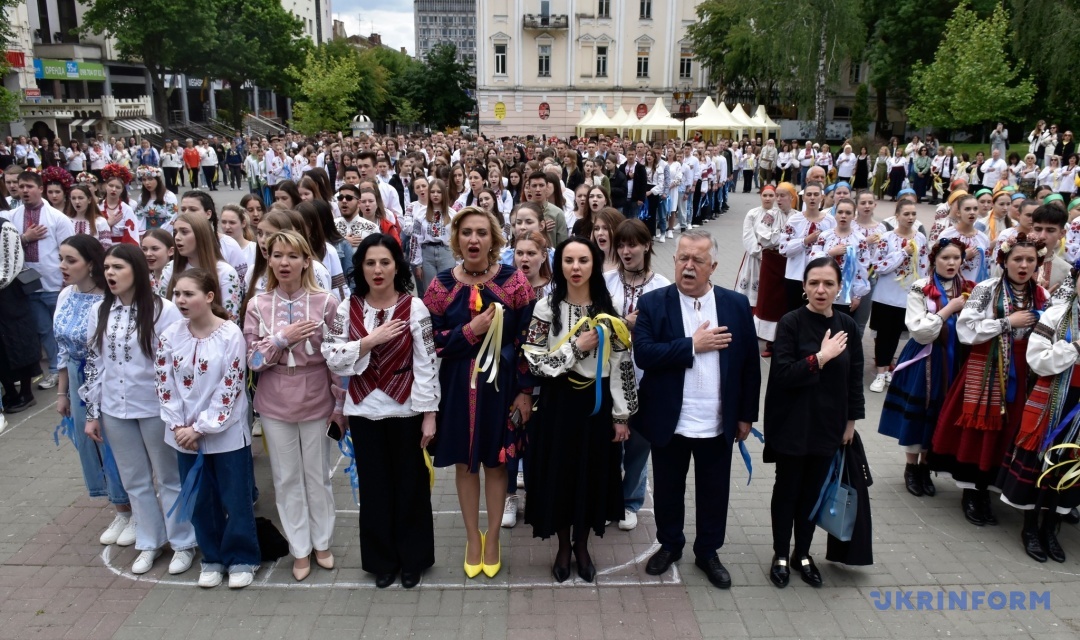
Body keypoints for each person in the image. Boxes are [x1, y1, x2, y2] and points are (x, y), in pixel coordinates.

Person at [631, 228, 760, 588]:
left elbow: (750, 362)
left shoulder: (734, 305)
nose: (688, 267)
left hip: (718, 421)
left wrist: (747, 414)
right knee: (669, 490)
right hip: (671, 420)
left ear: (713, 265)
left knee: (714, 492)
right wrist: (691, 345)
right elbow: (644, 353)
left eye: (697, 261)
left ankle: (708, 552)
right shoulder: (655, 303)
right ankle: (670, 544)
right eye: (682, 259)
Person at [422, 206, 536, 579]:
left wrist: (524, 392)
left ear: (494, 239)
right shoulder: (440, 286)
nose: (474, 239)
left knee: (497, 462)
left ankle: (493, 541)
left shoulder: (514, 282)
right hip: (456, 389)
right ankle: (474, 537)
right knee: (465, 463)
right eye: (467, 232)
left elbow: (527, 340)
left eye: (482, 233)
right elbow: (429, 343)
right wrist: (469, 332)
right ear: (456, 238)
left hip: (502, 389)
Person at [323, 234, 438, 588]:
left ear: (396, 266)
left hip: (406, 410)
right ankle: (381, 561)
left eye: (385, 262)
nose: (377, 270)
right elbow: (333, 356)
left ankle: (412, 559)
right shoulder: (347, 308)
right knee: (375, 489)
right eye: (370, 263)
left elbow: (427, 362)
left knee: (411, 486)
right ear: (360, 267)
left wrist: (429, 413)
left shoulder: (414, 307)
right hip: (364, 411)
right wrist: (370, 341)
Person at [521, 236, 635, 582]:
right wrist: (576, 346)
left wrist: (621, 415)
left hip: (595, 404)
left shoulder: (608, 307)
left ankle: (582, 544)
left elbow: (621, 361)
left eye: (583, 261)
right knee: (561, 473)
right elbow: (534, 361)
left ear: (594, 265)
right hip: (557, 403)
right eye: (569, 260)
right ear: (559, 266)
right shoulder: (545, 307)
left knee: (592, 474)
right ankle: (562, 547)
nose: (575, 268)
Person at [81, 244, 195, 576]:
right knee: (135, 480)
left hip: (157, 408)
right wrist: (92, 413)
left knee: (170, 476)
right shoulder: (100, 312)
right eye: (106, 268)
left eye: (118, 267)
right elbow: (94, 363)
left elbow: (177, 364)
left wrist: (178, 412)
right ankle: (149, 541)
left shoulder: (164, 310)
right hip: (115, 409)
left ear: (137, 271)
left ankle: (183, 542)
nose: (110, 274)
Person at [930, 233, 1048, 527]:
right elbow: (965, 329)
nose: (1023, 265)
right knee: (981, 427)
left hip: (1025, 370)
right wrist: (1008, 322)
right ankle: (973, 492)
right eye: (1017, 259)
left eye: (1030, 260)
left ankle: (995, 483)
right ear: (1004, 260)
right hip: (986, 368)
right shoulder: (986, 289)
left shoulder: (1041, 294)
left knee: (1011, 429)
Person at [244, 230, 341, 582]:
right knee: (286, 478)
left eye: (292, 256)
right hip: (274, 401)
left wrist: (340, 406)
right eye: (276, 255)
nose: (284, 263)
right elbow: (252, 360)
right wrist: (281, 340)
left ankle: (322, 542)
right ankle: (299, 548)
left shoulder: (326, 302)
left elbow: (337, 359)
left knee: (317, 474)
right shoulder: (256, 305)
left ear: (305, 261)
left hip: (316, 396)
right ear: (268, 260)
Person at [156, 269, 260, 588]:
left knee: (234, 495)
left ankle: (242, 556)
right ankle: (212, 557)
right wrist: (177, 425)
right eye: (177, 294)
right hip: (184, 437)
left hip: (225, 433)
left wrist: (201, 427)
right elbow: (164, 381)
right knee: (201, 499)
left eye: (189, 294)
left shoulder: (230, 334)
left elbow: (230, 385)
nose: (181, 300)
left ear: (209, 297)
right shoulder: (171, 334)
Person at [764, 256, 863, 588]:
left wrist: (850, 422)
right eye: (814, 283)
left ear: (839, 288)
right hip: (792, 423)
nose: (821, 290)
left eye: (829, 284)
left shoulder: (848, 325)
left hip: (828, 425)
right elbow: (781, 375)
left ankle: (802, 553)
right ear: (804, 287)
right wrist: (820, 358)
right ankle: (780, 553)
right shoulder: (791, 322)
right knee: (788, 490)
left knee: (813, 494)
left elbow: (854, 378)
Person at [53, 235, 133, 545]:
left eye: (70, 260)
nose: (63, 266)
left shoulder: (108, 301)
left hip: (106, 378)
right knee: (90, 447)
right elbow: (60, 348)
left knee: (113, 443)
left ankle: (136, 509)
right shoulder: (65, 295)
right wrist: (62, 393)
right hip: (76, 377)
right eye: (61, 259)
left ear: (90, 264)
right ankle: (120, 509)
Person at [877, 238, 972, 496]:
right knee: (921, 409)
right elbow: (919, 331)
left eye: (956, 258)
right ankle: (911, 468)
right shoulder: (921, 287)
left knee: (940, 412)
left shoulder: (969, 288)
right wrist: (948, 310)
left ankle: (926, 467)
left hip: (955, 360)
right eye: (945, 258)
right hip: (925, 358)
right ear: (934, 260)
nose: (951, 263)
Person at [1000, 267, 1080, 563]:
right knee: (1041, 461)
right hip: (1052, 399)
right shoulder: (1056, 315)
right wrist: (1073, 349)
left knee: (1069, 465)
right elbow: (1038, 360)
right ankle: (1031, 527)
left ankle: (1051, 527)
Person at [602, 219, 671, 531]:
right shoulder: (604, 281)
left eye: (632, 244)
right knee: (609, 442)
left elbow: (668, 333)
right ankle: (608, 497)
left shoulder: (663, 288)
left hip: (646, 378)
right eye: (621, 245)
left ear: (646, 245)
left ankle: (630, 501)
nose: (626, 251)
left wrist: (639, 327)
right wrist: (620, 321)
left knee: (639, 445)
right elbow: (594, 320)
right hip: (609, 375)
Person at [9, 170, 76, 392]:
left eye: (29, 186)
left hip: (55, 282)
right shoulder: (13, 216)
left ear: (40, 189)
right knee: (44, 329)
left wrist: (69, 282)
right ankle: (56, 370)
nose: (25, 190)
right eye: (21, 186)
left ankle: (73, 371)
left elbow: (70, 249)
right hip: (28, 284)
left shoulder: (57, 218)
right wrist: (25, 238)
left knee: (63, 329)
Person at [868, 200, 930, 392]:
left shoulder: (920, 238)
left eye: (913, 214)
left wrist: (922, 290)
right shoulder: (887, 238)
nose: (911, 218)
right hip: (886, 295)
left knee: (896, 334)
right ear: (897, 216)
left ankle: (887, 369)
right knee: (884, 334)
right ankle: (879, 372)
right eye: (906, 214)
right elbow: (877, 266)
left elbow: (924, 265)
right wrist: (903, 253)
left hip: (907, 296)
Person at [157, 213, 243, 322]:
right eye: (175, 232)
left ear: (201, 235)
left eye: (184, 232)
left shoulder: (225, 272)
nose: (177, 237)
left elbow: (231, 319)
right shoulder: (169, 268)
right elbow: (161, 315)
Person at [808, 198, 871, 316]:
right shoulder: (825, 236)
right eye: (840, 212)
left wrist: (857, 295)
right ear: (835, 214)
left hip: (846, 294)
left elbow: (862, 268)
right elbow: (812, 259)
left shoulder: (860, 240)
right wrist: (830, 253)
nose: (843, 216)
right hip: (823, 291)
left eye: (848, 213)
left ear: (854, 216)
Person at [780, 182, 834, 312]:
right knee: (794, 312)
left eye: (816, 194)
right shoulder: (794, 220)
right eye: (809, 194)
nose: (812, 198)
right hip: (795, 275)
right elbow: (784, 249)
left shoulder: (831, 221)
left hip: (821, 275)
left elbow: (833, 245)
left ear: (822, 197)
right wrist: (805, 241)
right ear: (803, 198)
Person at [135, 166, 178, 233]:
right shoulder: (141, 197)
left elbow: (172, 218)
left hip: (164, 233)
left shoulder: (169, 196)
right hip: (146, 233)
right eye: (144, 180)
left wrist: (159, 234)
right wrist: (141, 232)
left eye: (150, 179)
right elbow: (138, 217)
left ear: (158, 180)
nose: (147, 183)